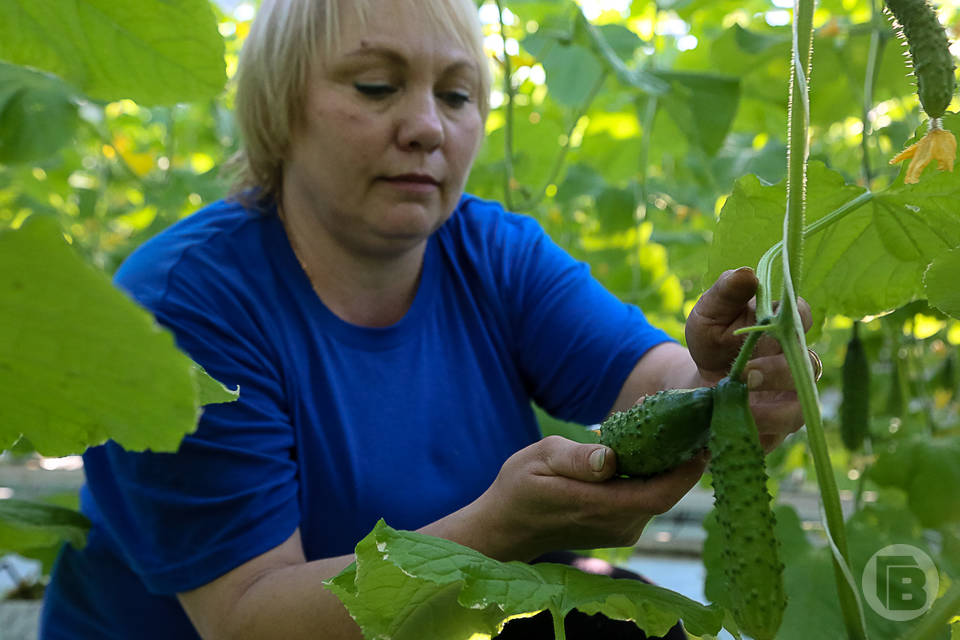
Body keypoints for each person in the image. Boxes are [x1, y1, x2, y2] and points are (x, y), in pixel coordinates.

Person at [39, 0, 811, 638]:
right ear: (279, 110)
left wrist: (724, 376)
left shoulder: (493, 252)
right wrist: (504, 526)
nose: (427, 127)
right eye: (376, 86)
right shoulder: (187, 304)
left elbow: (652, 381)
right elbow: (250, 622)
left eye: (457, 95)